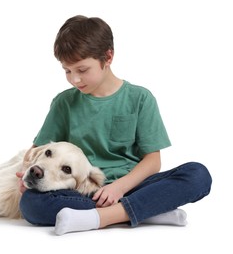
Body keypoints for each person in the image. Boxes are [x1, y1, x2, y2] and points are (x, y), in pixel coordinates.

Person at [16, 15, 212, 235]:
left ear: (108, 57)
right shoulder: (64, 103)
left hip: (132, 185)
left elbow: (153, 160)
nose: (74, 80)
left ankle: (103, 216)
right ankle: (146, 210)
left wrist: (119, 187)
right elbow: (39, 149)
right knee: (31, 204)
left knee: (198, 175)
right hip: (84, 191)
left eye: (82, 70)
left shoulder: (140, 99)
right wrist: (27, 175)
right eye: (67, 71)